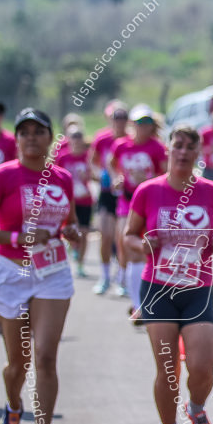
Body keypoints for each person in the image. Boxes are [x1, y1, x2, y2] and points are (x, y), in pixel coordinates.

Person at [0, 108, 80, 424]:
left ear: (49, 138)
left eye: (39, 131)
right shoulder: (3, 176)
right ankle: (14, 405)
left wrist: (72, 233)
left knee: (46, 357)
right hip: (10, 271)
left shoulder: (62, 178)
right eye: (25, 132)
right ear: (17, 139)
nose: (31, 137)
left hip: (52, 271)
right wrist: (19, 236)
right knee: (19, 363)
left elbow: (70, 224)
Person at [124, 125, 213, 424]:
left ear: (198, 152)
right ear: (168, 150)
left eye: (190, 147)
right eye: (178, 146)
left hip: (197, 288)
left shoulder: (212, 191)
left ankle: (196, 408)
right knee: (167, 368)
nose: (183, 152)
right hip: (158, 288)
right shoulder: (148, 191)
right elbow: (128, 236)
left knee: (203, 366)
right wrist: (143, 243)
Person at [111, 104, 167, 316]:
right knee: (129, 246)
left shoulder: (157, 147)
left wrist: (150, 183)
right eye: (139, 122)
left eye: (146, 123)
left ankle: (148, 301)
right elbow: (112, 164)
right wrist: (116, 178)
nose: (142, 127)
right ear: (132, 124)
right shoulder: (121, 145)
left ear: (152, 125)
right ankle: (137, 306)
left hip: (151, 203)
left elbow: (165, 174)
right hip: (127, 201)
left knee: (149, 252)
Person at [89, 101, 129, 295]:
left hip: (126, 196)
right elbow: (92, 163)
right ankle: (105, 277)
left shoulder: (130, 140)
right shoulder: (102, 138)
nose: (119, 121)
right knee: (105, 235)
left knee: (120, 239)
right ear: (110, 119)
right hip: (106, 193)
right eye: (116, 117)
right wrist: (100, 175)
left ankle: (121, 278)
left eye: (123, 117)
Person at [56, 127, 94, 277]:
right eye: (74, 136)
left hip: (85, 200)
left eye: (79, 136)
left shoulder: (88, 157)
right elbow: (56, 178)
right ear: (68, 139)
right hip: (68, 201)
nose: (77, 140)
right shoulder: (62, 158)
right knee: (69, 231)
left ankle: (80, 264)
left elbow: (94, 175)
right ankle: (72, 250)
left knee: (84, 233)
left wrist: (88, 175)